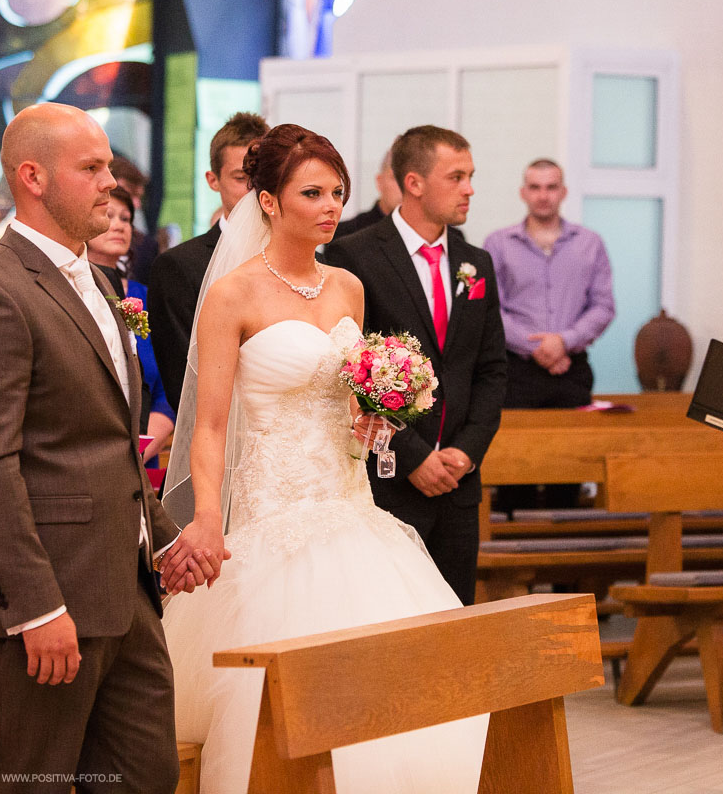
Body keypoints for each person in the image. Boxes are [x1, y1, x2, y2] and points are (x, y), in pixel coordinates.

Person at [159, 123, 487, 794]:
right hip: (269, 512)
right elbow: (212, 426)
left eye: (337, 191)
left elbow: (345, 394)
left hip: (350, 503)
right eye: (312, 192)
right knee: (275, 706)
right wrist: (207, 518)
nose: (331, 206)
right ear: (270, 201)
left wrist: (372, 409)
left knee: (399, 691)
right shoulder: (233, 294)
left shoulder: (347, 288)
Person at [0, 102, 223, 793]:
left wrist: (162, 537)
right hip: (46, 599)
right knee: (32, 780)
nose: (110, 184)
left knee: (144, 778)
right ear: (32, 177)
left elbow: (108, 442)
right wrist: (36, 608)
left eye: (110, 168)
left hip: (124, 591)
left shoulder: (95, 279)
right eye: (91, 168)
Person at [323, 125, 508, 605]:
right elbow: (350, 372)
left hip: (459, 483)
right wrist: (414, 458)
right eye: (457, 177)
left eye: (470, 176)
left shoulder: (476, 263)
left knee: (455, 619)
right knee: (391, 619)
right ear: (414, 183)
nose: (470, 188)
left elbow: (490, 370)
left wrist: (465, 452)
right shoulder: (355, 254)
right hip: (390, 479)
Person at [483, 158, 615, 511]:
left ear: (564, 192)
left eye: (551, 187)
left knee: (568, 469)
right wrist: (537, 348)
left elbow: (603, 306)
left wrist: (564, 342)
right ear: (523, 192)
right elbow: (490, 309)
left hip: (571, 371)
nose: (543, 196)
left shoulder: (590, 243)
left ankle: (568, 552)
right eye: (536, 187)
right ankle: (511, 552)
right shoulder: (497, 244)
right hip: (516, 373)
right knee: (515, 469)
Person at [148, 112, 269, 412]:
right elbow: (182, 383)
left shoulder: (309, 261)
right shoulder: (178, 266)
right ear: (213, 180)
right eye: (241, 178)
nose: (254, 191)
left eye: (263, 178)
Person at [88, 187, 175, 465]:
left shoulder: (146, 297)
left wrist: (141, 448)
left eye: (126, 219)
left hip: (143, 456)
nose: (119, 226)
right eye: (108, 215)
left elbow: (166, 386)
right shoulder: (68, 294)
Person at [108, 154, 159, 283]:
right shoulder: (77, 243)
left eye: (139, 197)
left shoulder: (147, 247)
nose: (136, 204)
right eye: (129, 194)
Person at [331, 146, 401, 239]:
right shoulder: (346, 234)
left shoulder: (424, 233)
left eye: (413, 181)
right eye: (396, 178)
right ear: (379, 181)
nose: (405, 187)